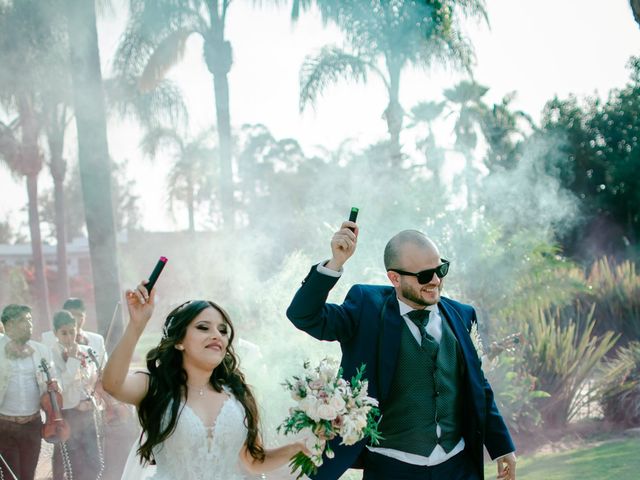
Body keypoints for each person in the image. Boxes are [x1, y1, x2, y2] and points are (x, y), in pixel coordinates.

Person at [287, 225, 517, 480]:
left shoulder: (463, 315)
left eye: (441, 269)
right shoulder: (366, 308)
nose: (436, 281)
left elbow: (478, 386)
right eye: (425, 275)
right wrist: (336, 262)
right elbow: (303, 315)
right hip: (391, 469)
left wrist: (501, 446)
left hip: (458, 467)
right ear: (395, 278)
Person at [102, 282, 306, 480]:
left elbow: (253, 461)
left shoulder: (239, 395)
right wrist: (137, 325)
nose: (217, 335)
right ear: (179, 341)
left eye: (223, 330)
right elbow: (112, 384)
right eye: (203, 327)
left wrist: (296, 448)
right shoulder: (155, 388)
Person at [0, 304, 55, 480]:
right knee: (10, 476)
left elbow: (53, 381)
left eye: (30, 319)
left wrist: (55, 386)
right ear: (8, 325)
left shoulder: (41, 350)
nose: (29, 324)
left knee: (28, 475)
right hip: (4, 425)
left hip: (33, 424)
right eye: (22, 320)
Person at [50, 310, 103, 480]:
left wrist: (91, 398)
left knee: (95, 462)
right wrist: (72, 360)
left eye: (72, 332)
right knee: (73, 464)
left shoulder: (87, 351)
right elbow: (61, 387)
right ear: (55, 333)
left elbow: (93, 380)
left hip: (88, 412)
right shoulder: (51, 355)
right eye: (64, 333)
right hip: (67, 414)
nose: (69, 337)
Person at [42, 298, 107, 365]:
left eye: (80, 315)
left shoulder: (97, 339)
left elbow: (104, 365)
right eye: (72, 315)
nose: (76, 319)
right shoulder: (47, 338)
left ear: (84, 317)